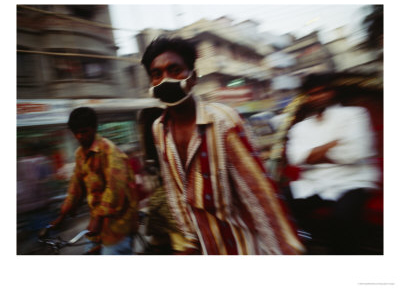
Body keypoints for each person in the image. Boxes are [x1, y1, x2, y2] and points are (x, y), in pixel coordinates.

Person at [140, 36, 304, 255]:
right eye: (156, 74)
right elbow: (174, 189)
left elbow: (260, 194)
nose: (165, 79)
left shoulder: (223, 121)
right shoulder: (159, 129)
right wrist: (190, 239)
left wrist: (285, 251)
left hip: (245, 247)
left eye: (174, 69)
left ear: (193, 77)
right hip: (206, 246)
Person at [284, 73, 381, 254]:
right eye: (313, 93)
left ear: (332, 92)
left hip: (352, 181)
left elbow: (354, 153)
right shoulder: (300, 127)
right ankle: (299, 246)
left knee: (342, 218)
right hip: (314, 183)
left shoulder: (355, 115)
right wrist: (333, 143)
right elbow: (296, 158)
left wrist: (311, 155)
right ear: (308, 98)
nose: (318, 96)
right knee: (279, 201)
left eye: (322, 91)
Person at [40, 107, 138, 255]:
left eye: (84, 131)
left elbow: (115, 189)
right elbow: (76, 185)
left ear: (94, 128)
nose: (80, 136)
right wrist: (62, 215)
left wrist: (98, 218)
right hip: (96, 224)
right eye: (76, 133)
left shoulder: (110, 152)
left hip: (119, 223)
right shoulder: (80, 154)